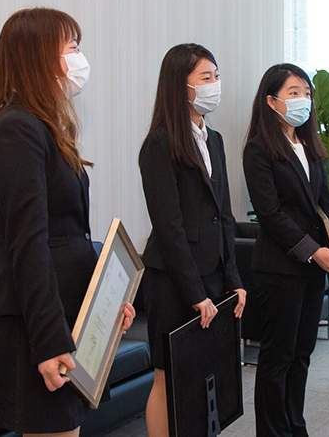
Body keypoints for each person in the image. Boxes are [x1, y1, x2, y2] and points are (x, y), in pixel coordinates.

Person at [0, 7, 134, 437]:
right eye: (72, 48)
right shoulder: (16, 130)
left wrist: (103, 300)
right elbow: (29, 244)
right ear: (40, 57)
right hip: (37, 328)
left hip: (66, 314)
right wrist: (49, 342)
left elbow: (69, 235)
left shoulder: (44, 127)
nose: (79, 58)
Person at [138, 43, 246, 437]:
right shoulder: (159, 143)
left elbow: (225, 215)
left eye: (216, 77)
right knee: (169, 379)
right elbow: (169, 228)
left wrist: (233, 279)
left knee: (206, 375)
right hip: (174, 282)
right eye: (205, 78)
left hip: (214, 278)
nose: (215, 85)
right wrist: (195, 293)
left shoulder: (213, 139)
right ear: (179, 85)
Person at [242, 63, 329, 437]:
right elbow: (270, 214)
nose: (302, 99)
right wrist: (313, 251)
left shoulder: (309, 144)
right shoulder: (258, 149)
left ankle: (295, 426)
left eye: (305, 92)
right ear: (271, 101)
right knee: (278, 358)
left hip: (313, 268)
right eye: (293, 92)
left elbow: (326, 204)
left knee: (302, 354)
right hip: (279, 268)